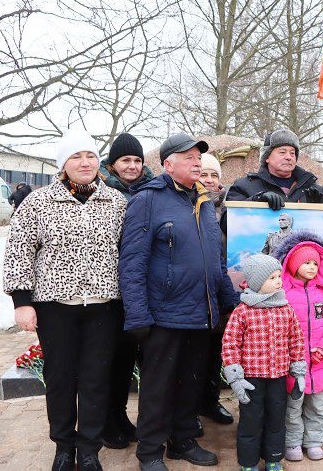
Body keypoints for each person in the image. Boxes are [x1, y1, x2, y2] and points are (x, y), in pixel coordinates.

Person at [3, 129, 128, 471]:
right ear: (63, 164)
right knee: (59, 379)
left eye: (90, 155)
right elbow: (19, 251)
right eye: (76, 156)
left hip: (104, 305)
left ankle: (88, 449)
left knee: (95, 379)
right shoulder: (38, 202)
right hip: (55, 306)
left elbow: (128, 251)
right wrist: (21, 301)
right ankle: (63, 446)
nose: (85, 162)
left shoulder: (116, 202)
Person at [119, 133, 240, 470]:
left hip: (201, 313)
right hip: (164, 314)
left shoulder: (203, 200)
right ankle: (150, 452)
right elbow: (132, 262)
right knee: (158, 388)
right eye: (188, 158)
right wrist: (137, 314)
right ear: (168, 165)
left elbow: (215, 261)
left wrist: (229, 302)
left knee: (190, 383)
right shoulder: (148, 200)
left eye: (198, 158)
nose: (197, 163)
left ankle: (182, 441)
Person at [221, 254, 307, 471]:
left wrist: (298, 369)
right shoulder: (243, 311)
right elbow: (230, 342)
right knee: (251, 421)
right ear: (257, 282)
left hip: (278, 377)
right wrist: (235, 376)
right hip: (251, 379)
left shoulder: (285, 309)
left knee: (276, 420)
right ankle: (248, 463)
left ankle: (273, 459)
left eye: (279, 276)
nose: (278, 281)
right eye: (272, 278)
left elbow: (296, 339)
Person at [98, 132, 155, 450]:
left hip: (139, 287)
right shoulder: (102, 191)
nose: (132, 166)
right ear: (112, 164)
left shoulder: (150, 190)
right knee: (109, 359)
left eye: (136, 160)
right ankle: (107, 421)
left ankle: (120, 416)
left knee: (126, 358)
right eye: (125, 160)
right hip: (109, 287)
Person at [274, 231, 323, 462]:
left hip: (319, 363)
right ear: (293, 265)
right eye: (307, 263)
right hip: (294, 363)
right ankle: (292, 442)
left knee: (318, 406)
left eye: (315, 263)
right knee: (292, 407)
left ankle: (314, 441)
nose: (312, 267)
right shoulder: (283, 294)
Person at [191, 152, 236, 429]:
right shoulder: (190, 202)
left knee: (215, 352)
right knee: (195, 354)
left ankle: (210, 400)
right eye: (204, 174)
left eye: (214, 175)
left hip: (224, 288)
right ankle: (191, 407)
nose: (209, 180)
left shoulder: (232, 206)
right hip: (198, 290)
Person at [225, 128, 323, 217]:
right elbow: (226, 223)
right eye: (282, 152)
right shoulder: (244, 186)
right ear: (267, 157)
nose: (288, 157)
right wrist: (256, 201)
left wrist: (317, 207)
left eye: (292, 153)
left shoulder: (313, 190)